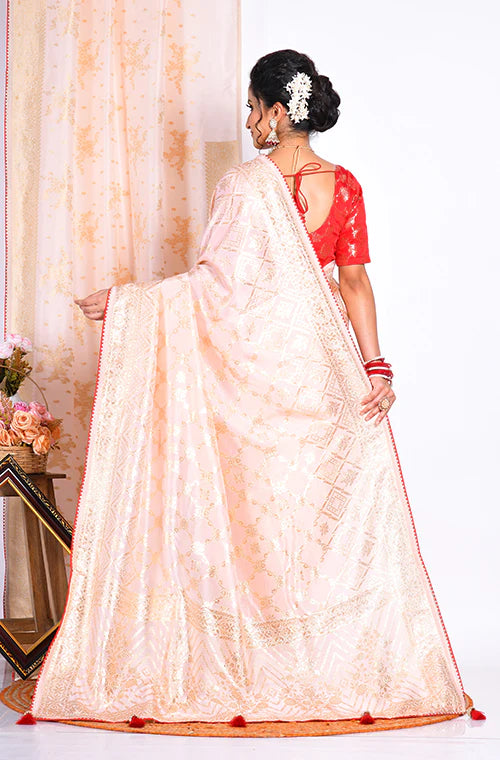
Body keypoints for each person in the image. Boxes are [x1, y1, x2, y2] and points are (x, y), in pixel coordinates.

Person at [28, 49, 473, 727]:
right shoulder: (344, 186)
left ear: (277, 111)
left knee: (251, 519)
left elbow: (217, 291)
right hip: (324, 376)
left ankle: (254, 663)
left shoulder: (243, 185)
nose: (247, 121)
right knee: (310, 522)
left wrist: (130, 303)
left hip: (250, 381)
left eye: (252, 107)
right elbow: (353, 280)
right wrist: (377, 368)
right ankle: (318, 667)